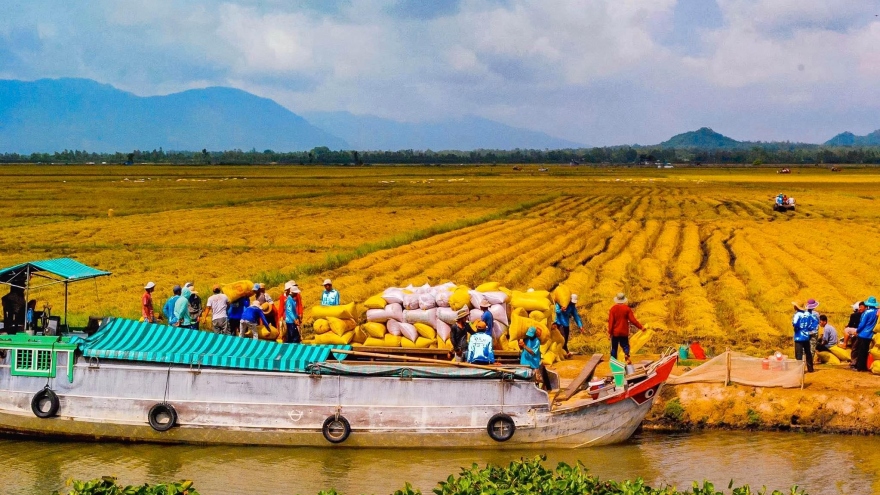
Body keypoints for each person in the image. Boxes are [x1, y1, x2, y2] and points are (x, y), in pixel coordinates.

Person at [608, 293, 643, 364]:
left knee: (614, 348)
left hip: (615, 333)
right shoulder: (627, 309)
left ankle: (614, 362)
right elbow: (633, 320)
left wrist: (610, 333)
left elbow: (611, 322)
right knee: (625, 346)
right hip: (624, 332)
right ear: (624, 300)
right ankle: (626, 354)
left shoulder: (613, 309)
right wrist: (641, 327)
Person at [792, 299, 819, 373]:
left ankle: (799, 370)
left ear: (796, 307)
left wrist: (797, 329)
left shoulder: (796, 315)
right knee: (808, 352)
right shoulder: (808, 315)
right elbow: (815, 322)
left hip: (799, 337)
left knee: (799, 353)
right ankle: (810, 369)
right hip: (806, 336)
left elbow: (794, 324)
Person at [554, 293, 583, 358]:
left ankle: (564, 352)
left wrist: (580, 326)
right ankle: (563, 352)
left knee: (566, 338)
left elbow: (576, 316)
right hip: (559, 323)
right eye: (572, 302)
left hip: (566, 324)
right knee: (562, 338)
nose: (573, 304)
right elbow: (556, 311)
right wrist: (561, 309)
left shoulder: (572, 307)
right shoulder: (561, 303)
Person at [854, 296, 878, 372]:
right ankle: (865, 366)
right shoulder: (877, 311)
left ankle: (860, 368)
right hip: (871, 334)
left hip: (863, 334)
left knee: (861, 352)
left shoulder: (867, 312)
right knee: (866, 351)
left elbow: (862, 324)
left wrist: (857, 330)